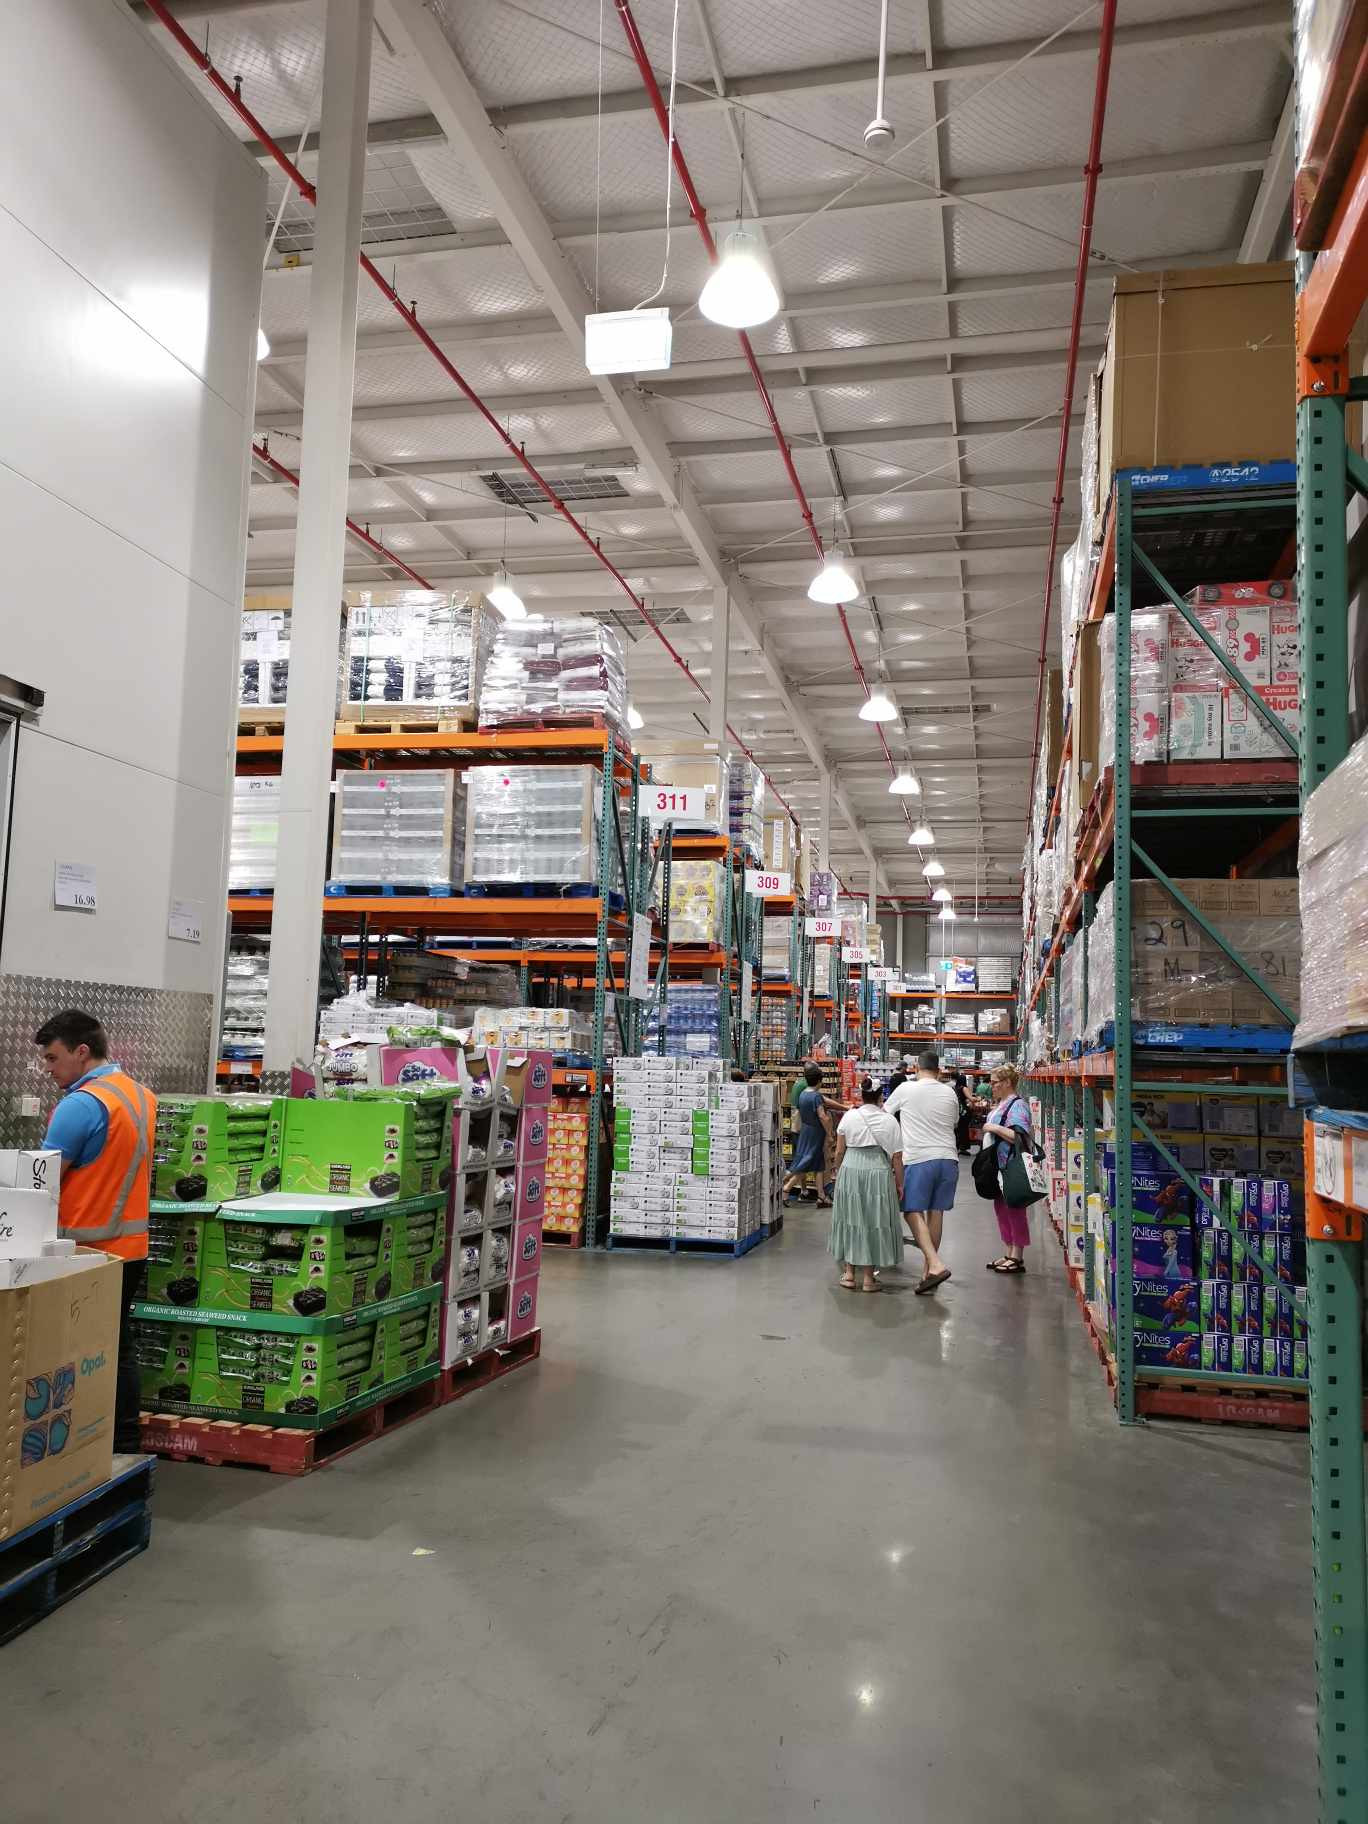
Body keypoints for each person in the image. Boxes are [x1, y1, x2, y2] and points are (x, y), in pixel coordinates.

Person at [34, 1010, 156, 1452]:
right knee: (117, 1346)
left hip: (86, 1250)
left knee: (70, 1351)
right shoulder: (140, 1095)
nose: (48, 1069)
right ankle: (123, 1442)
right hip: (131, 1247)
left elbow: (42, 1181)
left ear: (81, 1051)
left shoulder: (81, 1104)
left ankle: (75, 1447)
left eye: (53, 1058)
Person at [884, 1049, 960, 1294]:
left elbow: (885, 1115)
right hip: (948, 1159)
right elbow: (954, 1122)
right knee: (935, 1212)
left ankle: (935, 1264)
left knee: (910, 1211)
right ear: (939, 1071)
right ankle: (928, 1273)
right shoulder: (949, 1092)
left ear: (915, 1068)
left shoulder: (906, 1089)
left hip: (918, 1159)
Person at [828, 1078, 904, 1293]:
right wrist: (900, 1184)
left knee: (851, 1219)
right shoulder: (889, 1120)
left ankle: (849, 1274)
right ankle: (869, 1278)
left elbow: (839, 1151)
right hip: (878, 1170)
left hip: (851, 1168)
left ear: (861, 1095)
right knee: (874, 1219)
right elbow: (897, 1157)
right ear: (880, 1097)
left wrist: (837, 1171)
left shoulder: (850, 1116)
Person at [980, 1064, 1034, 1274]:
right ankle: (1009, 1250)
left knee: (1014, 1209)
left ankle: (1017, 1255)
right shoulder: (1003, 1104)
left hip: (1011, 1165)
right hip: (999, 1166)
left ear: (1007, 1082)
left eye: (994, 1082)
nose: (991, 1086)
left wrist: (993, 1127)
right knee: (1001, 1208)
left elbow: (1020, 1137)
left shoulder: (1018, 1106)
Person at [783, 1064, 835, 1205]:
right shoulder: (816, 1096)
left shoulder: (803, 1094)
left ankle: (821, 1196)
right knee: (807, 1162)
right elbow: (822, 1116)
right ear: (819, 1081)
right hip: (815, 1133)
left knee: (818, 1163)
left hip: (805, 1130)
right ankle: (786, 1186)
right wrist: (830, 1134)